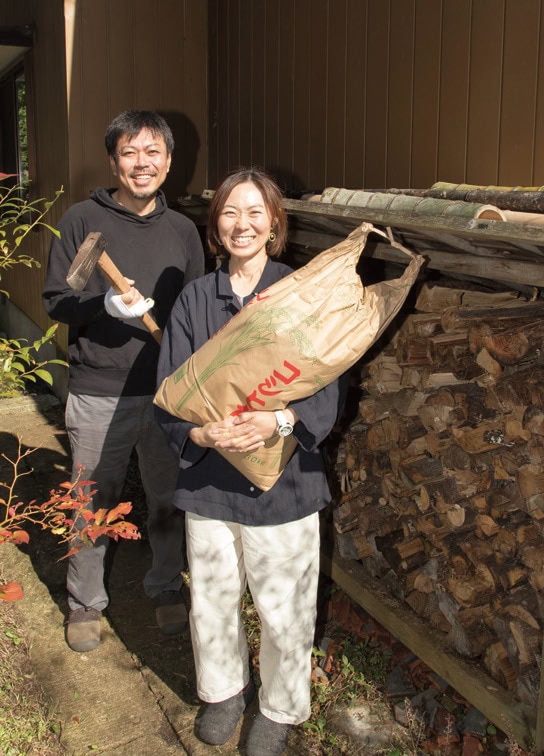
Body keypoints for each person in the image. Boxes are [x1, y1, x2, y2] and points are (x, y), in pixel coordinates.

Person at [155, 168, 347, 755]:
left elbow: (329, 384)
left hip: (284, 482)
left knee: (285, 604)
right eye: (230, 213)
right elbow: (169, 388)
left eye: (254, 213)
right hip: (210, 482)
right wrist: (200, 433)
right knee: (212, 597)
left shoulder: (298, 295)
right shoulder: (194, 298)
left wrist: (278, 421)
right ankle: (224, 693)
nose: (242, 224)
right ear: (215, 227)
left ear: (274, 224)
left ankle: (279, 707)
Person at [42, 110, 205, 653]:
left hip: (164, 390)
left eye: (153, 152)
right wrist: (106, 305)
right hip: (98, 391)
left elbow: (198, 308)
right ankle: (85, 602)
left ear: (169, 162)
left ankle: (164, 587)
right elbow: (58, 301)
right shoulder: (81, 221)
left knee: (167, 497)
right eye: (130, 153)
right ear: (114, 160)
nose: (142, 163)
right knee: (92, 499)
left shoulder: (183, 231)